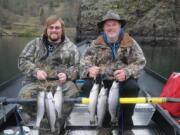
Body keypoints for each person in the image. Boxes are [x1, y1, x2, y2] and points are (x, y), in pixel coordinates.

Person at [80, 11, 146, 135]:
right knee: (87, 86)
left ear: (120, 26)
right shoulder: (95, 44)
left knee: (133, 87)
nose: (110, 28)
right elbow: (83, 61)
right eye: (107, 25)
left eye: (114, 24)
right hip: (102, 80)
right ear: (103, 28)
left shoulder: (130, 42)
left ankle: (125, 126)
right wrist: (90, 69)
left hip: (122, 79)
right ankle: (104, 124)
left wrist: (126, 72)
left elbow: (140, 62)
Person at [18, 15, 80, 134]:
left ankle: (59, 121)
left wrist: (67, 74)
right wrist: (35, 71)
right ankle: (44, 122)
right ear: (46, 29)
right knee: (24, 96)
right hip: (37, 82)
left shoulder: (71, 47)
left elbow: (78, 67)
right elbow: (22, 61)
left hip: (61, 84)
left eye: (57, 28)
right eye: (51, 27)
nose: (54, 30)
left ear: (62, 30)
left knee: (73, 93)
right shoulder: (35, 44)